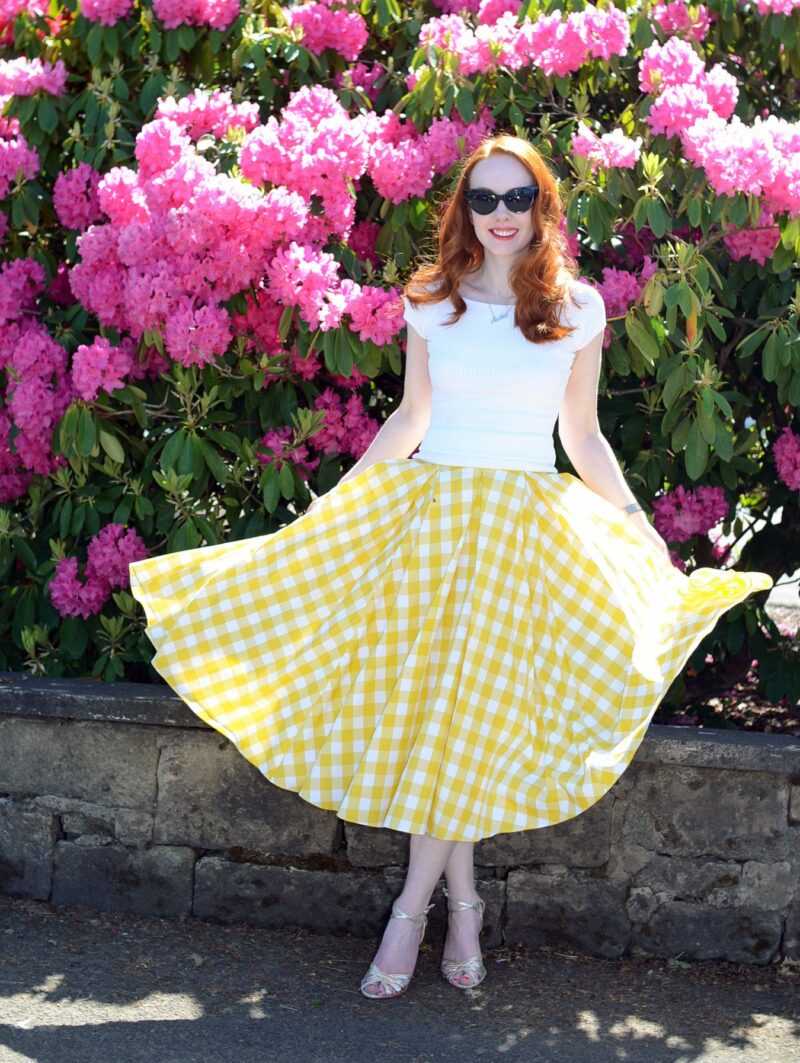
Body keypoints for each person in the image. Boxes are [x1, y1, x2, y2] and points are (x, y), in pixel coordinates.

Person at [128, 133, 773, 1001]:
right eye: (484, 199)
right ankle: (460, 905)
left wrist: (634, 524)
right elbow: (411, 417)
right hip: (432, 526)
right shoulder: (433, 299)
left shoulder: (579, 309)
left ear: (544, 206)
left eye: (518, 199)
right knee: (449, 715)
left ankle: (413, 909)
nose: (501, 216)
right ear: (464, 209)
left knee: (465, 717)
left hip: (525, 534)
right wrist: (337, 506)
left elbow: (580, 435)